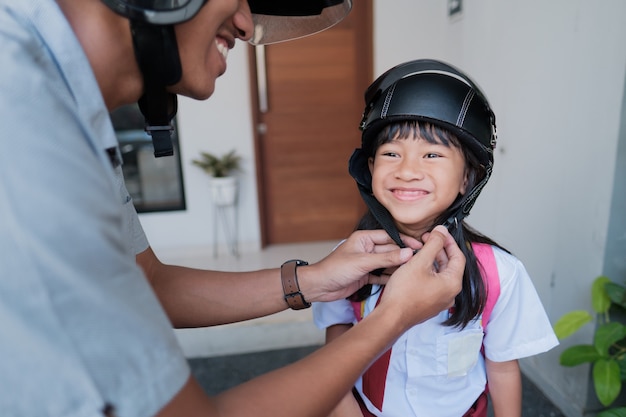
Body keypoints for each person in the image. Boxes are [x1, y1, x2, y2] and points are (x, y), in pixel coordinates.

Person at [0, 2, 468, 416]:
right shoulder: (23, 124)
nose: (245, 23)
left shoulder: (68, 107)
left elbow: (146, 283)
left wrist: (312, 280)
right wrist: (392, 319)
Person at [312, 59, 560, 417]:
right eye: (391, 153)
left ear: (467, 179)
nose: (408, 170)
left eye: (432, 154)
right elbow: (332, 359)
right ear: (370, 169)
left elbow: (503, 368)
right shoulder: (346, 263)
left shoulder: (499, 274)